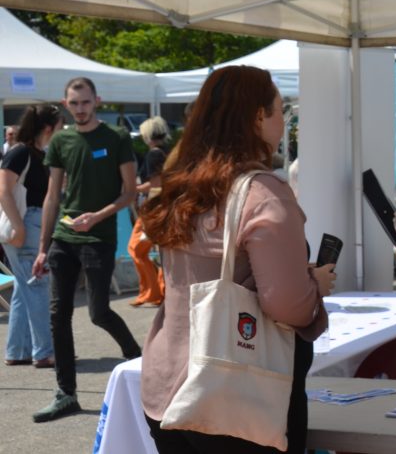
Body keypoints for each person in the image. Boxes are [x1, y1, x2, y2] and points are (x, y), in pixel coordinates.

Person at [139, 65, 336, 453]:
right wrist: (316, 285)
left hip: (168, 384)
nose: (284, 120)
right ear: (256, 117)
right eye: (280, 110)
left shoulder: (179, 184)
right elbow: (287, 305)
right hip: (235, 394)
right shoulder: (262, 193)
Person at [31, 78, 145, 423]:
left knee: (98, 312)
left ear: (97, 101)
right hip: (65, 238)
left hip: (99, 237)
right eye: (74, 103)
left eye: (85, 102)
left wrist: (98, 216)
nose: (80, 108)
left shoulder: (116, 138)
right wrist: (42, 247)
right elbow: (52, 196)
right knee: (57, 315)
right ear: (66, 104)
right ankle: (66, 394)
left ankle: (141, 363)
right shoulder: (61, 141)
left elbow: (130, 192)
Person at [1, 104, 62, 369]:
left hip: (29, 223)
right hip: (25, 223)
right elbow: (3, 190)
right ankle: (44, 351)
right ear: (48, 128)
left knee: (25, 289)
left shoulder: (35, 153)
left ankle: (18, 350)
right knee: (36, 286)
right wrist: (19, 226)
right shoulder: (21, 153)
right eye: (59, 126)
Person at [128, 116, 170, 308]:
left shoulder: (154, 154)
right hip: (164, 207)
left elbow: (155, 184)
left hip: (153, 208)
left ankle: (151, 292)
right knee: (162, 252)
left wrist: (133, 189)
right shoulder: (168, 152)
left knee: (136, 248)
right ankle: (157, 290)